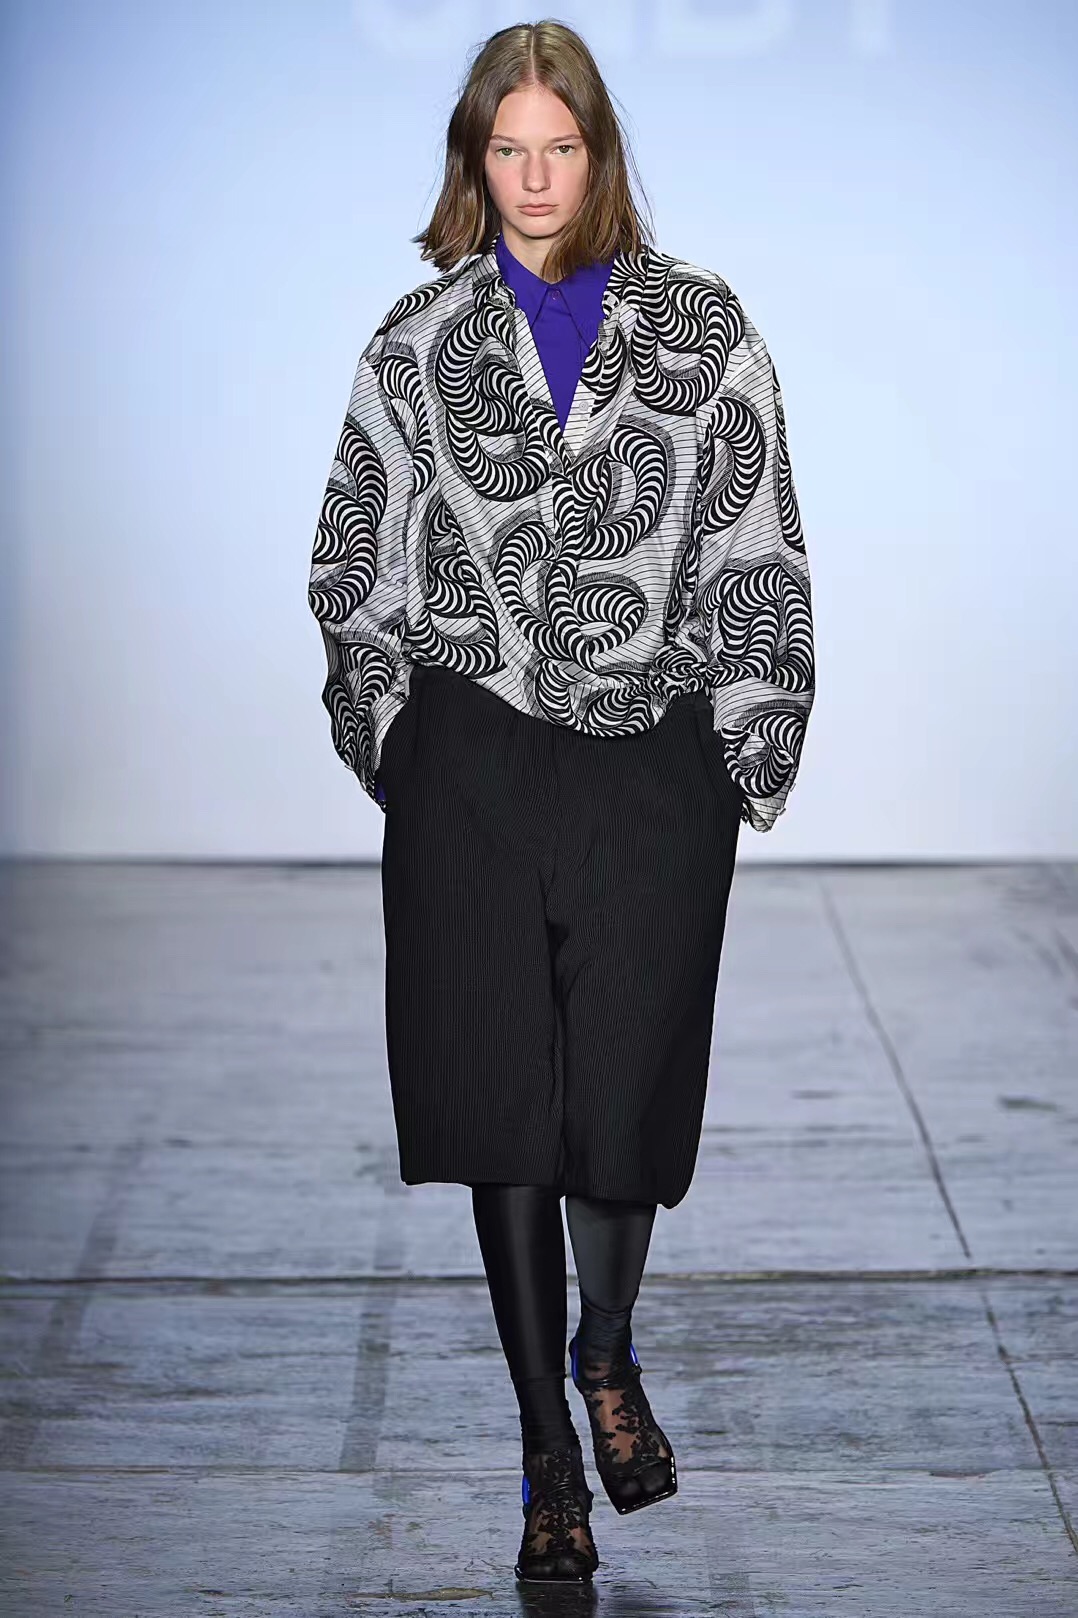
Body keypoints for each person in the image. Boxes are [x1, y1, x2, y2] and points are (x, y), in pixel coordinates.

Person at [308, 18, 815, 1587]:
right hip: (469, 756)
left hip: (648, 756)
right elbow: (353, 547)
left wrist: (745, 745)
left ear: (599, 156)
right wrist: (390, 735)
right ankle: (547, 1453)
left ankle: (605, 1346)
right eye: (506, 148)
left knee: (618, 1104)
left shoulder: (699, 328)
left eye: (560, 146)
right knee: (498, 1104)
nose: (533, 178)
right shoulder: (416, 342)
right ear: (476, 160)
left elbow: (756, 538)